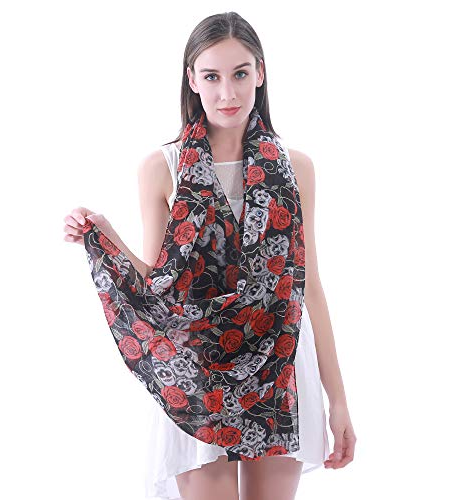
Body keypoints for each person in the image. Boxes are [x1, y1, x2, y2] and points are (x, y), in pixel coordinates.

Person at [64, 11, 356, 500]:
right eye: (212, 76)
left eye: (240, 73)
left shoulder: (295, 168)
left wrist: (338, 400)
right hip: (202, 366)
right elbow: (159, 286)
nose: (228, 93)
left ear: (260, 73)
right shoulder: (164, 167)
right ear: (192, 79)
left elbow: (310, 286)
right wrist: (105, 235)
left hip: (281, 358)